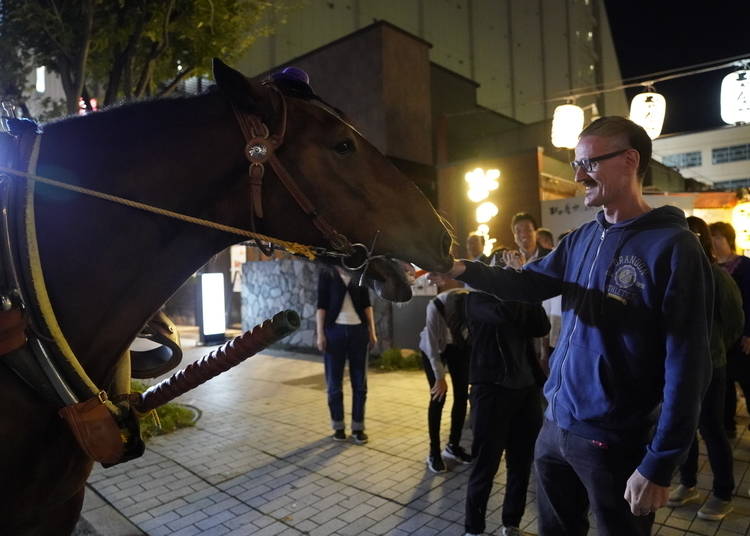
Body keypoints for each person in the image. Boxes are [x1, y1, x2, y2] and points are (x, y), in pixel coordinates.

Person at [434, 116, 713, 535]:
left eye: (590, 163)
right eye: (576, 164)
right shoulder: (581, 238)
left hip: (615, 437)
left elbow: (689, 364)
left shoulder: (674, 247)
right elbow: (526, 285)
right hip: (556, 425)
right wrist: (455, 267)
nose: (578, 176)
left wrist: (659, 463)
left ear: (630, 160)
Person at [668, 216, 743, 521]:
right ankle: (688, 484)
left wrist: (715, 348)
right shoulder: (672, 275)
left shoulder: (717, 276)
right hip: (677, 367)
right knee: (683, 428)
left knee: (712, 431)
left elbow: (735, 322)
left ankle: (723, 493)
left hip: (710, 365)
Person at [463, 289, 549, 536]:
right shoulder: (476, 298)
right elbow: (501, 314)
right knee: (485, 465)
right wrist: (517, 291)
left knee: (521, 464)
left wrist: (527, 294)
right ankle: (474, 529)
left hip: (526, 390)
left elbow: (541, 325)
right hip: (491, 391)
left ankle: (511, 523)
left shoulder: (519, 299)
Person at [316, 265, 377, 444]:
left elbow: (367, 305)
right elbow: (321, 306)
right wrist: (320, 334)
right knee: (334, 383)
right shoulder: (327, 272)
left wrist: (372, 331)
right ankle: (338, 427)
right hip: (334, 332)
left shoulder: (360, 271)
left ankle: (358, 428)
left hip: (359, 332)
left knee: (360, 383)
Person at [418, 272, 473, 472]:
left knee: (461, 395)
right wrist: (440, 378)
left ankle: (453, 446)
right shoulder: (435, 306)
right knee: (438, 396)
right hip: (435, 347)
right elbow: (432, 347)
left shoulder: (471, 303)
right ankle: (433, 452)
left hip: (458, 347)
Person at [710, 221, 750, 438]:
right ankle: (728, 425)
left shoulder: (744, 266)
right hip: (721, 340)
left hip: (741, 336)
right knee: (724, 385)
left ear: (729, 240)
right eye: (712, 237)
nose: (715, 242)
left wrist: (748, 333)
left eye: (719, 237)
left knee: (747, 382)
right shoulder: (711, 268)